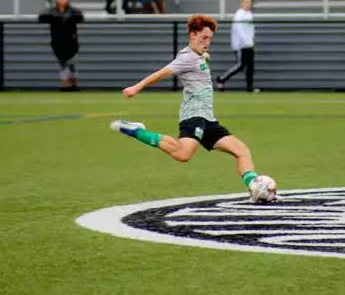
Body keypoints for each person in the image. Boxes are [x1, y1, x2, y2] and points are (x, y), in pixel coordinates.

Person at [111, 14, 265, 197]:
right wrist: (136, 88)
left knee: (241, 151)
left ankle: (255, 187)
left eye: (210, 39)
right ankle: (137, 131)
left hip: (208, 119)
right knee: (183, 154)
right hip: (193, 117)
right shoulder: (186, 57)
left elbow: (199, 58)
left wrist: (203, 55)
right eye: (203, 38)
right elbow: (162, 73)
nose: (207, 42)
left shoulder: (197, 55)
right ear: (192, 36)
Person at [38, 0, 84, 90]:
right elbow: (41, 17)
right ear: (57, 0)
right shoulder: (52, 11)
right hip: (57, 41)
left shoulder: (73, 11)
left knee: (71, 64)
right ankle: (65, 84)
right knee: (62, 64)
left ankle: (73, 84)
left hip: (71, 42)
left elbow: (80, 17)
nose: (63, 0)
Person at [217, 0, 255, 92]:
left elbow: (251, 29)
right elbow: (239, 30)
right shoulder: (239, 15)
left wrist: (251, 41)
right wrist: (245, 41)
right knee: (241, 65)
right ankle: (221, 79)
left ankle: (249, 87)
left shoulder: (250, 15)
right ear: (242, 3)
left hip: (249, 44)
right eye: (246, 2)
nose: (248, 4)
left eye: (250, 2)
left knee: (250, 66)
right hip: (240, 45)